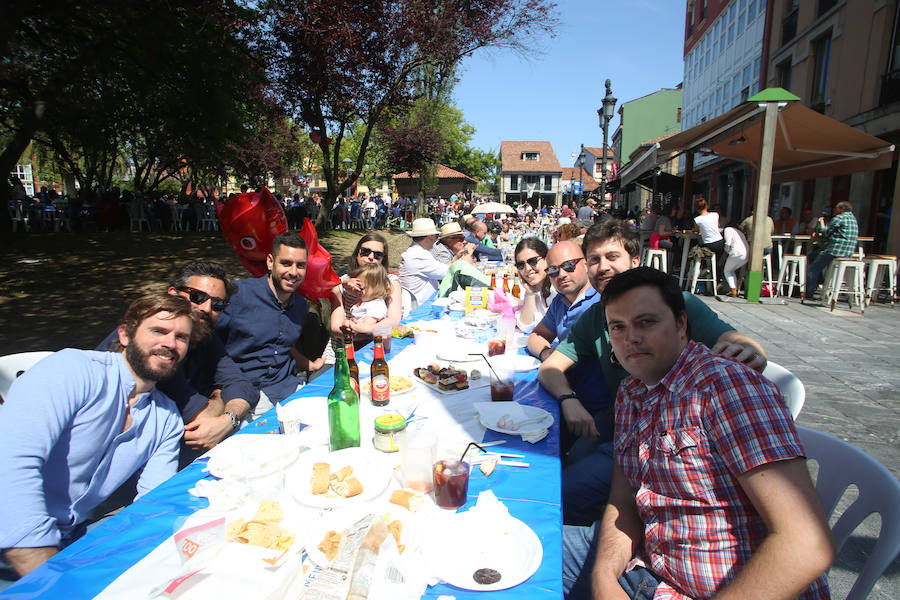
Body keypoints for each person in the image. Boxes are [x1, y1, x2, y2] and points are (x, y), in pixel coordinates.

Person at [562, 267, 834, 600]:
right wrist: (604, 577)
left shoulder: (728, 389)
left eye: (646, 322)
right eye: (617, 327)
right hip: (650, 569)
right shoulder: (632, 392)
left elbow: (807, 544)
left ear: (681, 325)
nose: (630, 338)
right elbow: (623, 502)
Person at [539, 219, 768, 525]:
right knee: (567, 454)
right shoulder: (596, 316)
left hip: (671, 439)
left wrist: (748, 350)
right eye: (594, 259)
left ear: (635, 260)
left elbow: (733, 340)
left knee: (559, 491)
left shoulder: (673, 304)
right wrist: (569, 398)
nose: (602, 267)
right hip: (623, 423)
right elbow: (551, 367)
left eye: (612, 257)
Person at [0, 294, 192, 578]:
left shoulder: (166, 417)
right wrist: (46, 575)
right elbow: (10, 464)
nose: (170, 344)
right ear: (125, 334)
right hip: (18, 553)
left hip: (73, 542)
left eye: (182, 337)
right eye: (158, 331)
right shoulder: (72, 371)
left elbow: (154, 502)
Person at [97, 261, 257, 457]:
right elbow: (200, 417)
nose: (207, 308)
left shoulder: (204, 333)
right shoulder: (151, 346)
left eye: (217, 304)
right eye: (198, 297)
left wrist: (228, 419)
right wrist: (218, 397)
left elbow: (241, 384)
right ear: (173, 293)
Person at [217, 231, 323, 419]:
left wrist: (311, 364)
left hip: (288, 390)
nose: (293, 272)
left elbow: (282, 345)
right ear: (270, 262)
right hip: (243, 398)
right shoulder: (238, 295)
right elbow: (208, 344)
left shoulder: (299, 305)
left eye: (300, 265)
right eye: (286, 263)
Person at [399, 218, 474, 305]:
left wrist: (457, 257)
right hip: (421, 306)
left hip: (424, 302)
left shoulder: (418, 252)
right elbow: (449, 273)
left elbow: (442, 268)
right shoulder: (418, 256)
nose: (436, 240)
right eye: (435, 236)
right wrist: (467, 256)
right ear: (429, 237)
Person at [805, 201, 859, 300]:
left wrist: (821, 224)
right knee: (813, 256)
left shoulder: (839, 218)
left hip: (835, 250)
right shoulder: (853, 219)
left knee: (813, 268)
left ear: (842, 209)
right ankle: (820, 279)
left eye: (836, 208)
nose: (834, 210)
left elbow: (826, 232)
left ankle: (809, 293)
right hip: (848, 253)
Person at [514, 238, 556, 334]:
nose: (527, 269)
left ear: (546, 259)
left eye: (532, 261)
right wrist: (530, 293)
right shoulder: (536, 288)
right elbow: (526, 326)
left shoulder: (557, 289)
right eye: (521, 265)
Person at [343, 263, 393, 329]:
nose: (358, 290)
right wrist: (346, 283)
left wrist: (347, 323)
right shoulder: (365, 299)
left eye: (362, 288)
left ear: (377, 288)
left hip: (366, 339)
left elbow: (364, 327)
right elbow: (346, 287)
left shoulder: (376, 306)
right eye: (358, 287)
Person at [693, 197, 724, 275]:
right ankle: (716, 277)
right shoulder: (715, 215)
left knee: (696, 250)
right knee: (716, 262)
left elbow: (696, 231)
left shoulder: (697, 219)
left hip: (709, 244)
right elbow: (717, 225)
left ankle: (704, 270)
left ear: (697, 209)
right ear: (707, 206)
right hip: (720, 242)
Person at [721, 225, 750, 297]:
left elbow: (728, 243)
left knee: (727, 271)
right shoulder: (740, 232)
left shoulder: (728, 229)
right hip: (746, 254)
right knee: (731, 270)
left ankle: (733, 290)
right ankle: (734, 289)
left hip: (736, 253)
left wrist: (727, 252)